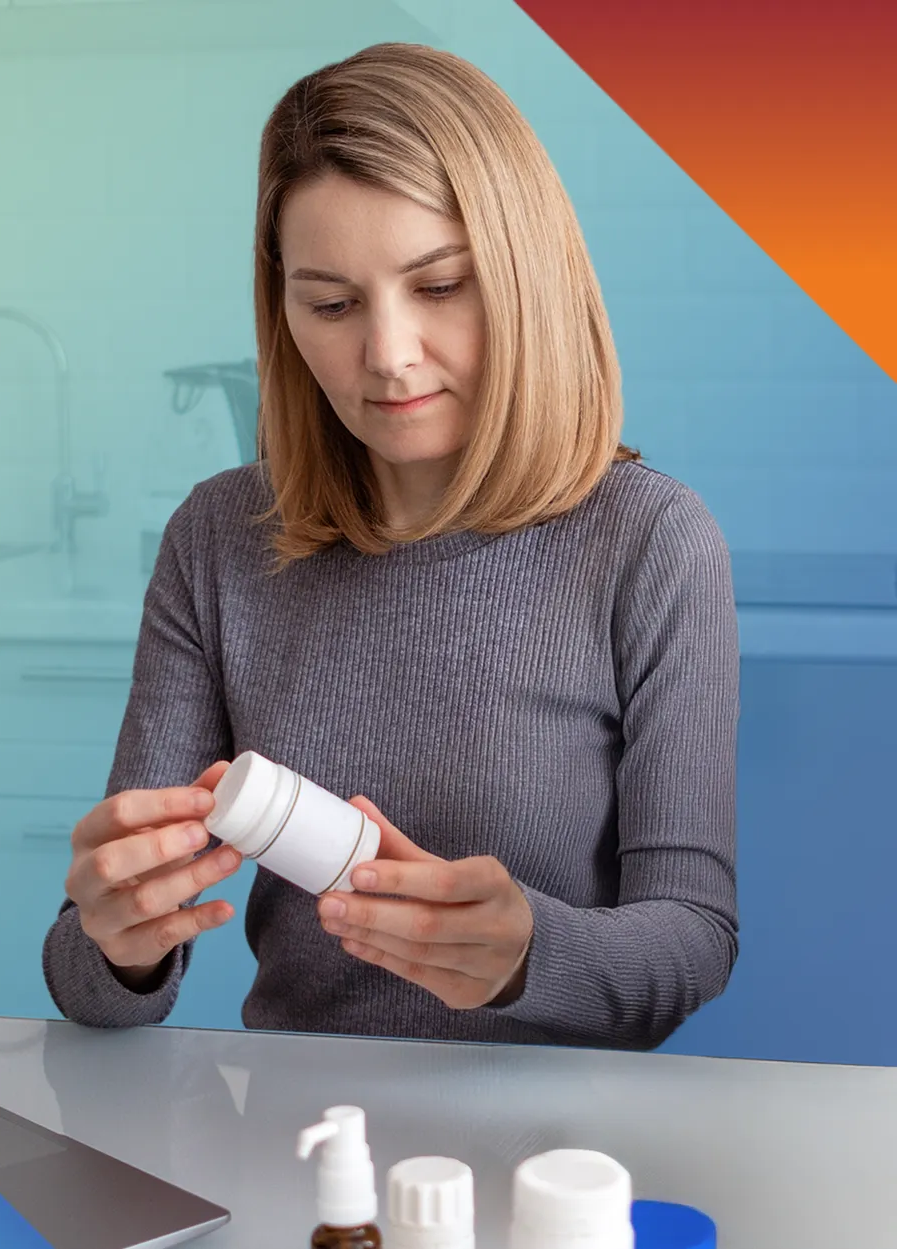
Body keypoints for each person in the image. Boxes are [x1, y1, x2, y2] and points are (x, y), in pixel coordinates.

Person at [41, 41, 739, 1051]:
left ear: (523, 279)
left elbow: (692, 943)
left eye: (441, 285)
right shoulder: (220, 542)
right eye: (331, 304)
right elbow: (90, 983)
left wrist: (528, 954)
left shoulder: (653, 544)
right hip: (304, 1141)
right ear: (283, 318)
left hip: (554, 1160)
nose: (389, 354)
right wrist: (118, 942)